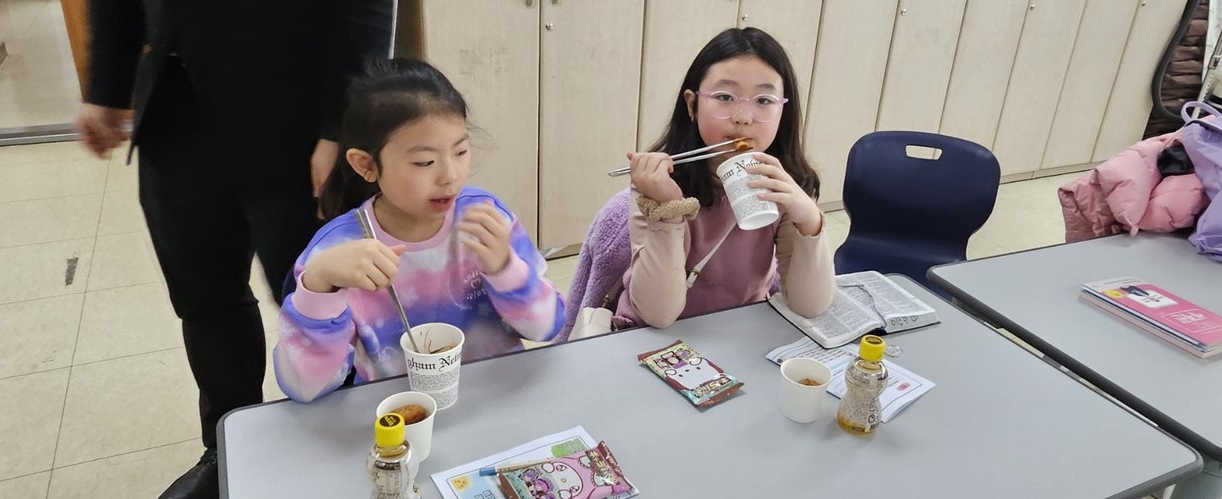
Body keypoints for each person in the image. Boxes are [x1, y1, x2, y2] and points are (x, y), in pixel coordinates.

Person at [74, 1, 392, 496]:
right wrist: (105, 89)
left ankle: (350, 446)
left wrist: (342, 123)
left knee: (322, 297)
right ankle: (228, 447)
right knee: (205, 300)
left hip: (296, 117)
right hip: (176, 113)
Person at [274, 59, 566, 403]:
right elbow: (303, 388)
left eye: (461, 151)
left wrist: (506, 270)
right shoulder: (337, 250)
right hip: (402, 414)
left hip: (498, 401)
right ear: (366, 165)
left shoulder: (486, 219)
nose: (450, 176)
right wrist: (320, 284)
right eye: (424, 162)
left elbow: (549, 327)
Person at [617, 27, 834, 329]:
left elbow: (810, 305)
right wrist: (667, 210)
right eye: (724, 97)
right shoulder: (661, 182)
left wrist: (809, 219)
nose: (743, 117)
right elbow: (658, 315)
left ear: (783, 111)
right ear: (692, 105)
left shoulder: (785, 184)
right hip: (657, 337)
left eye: (764, 100)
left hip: (740, 332)